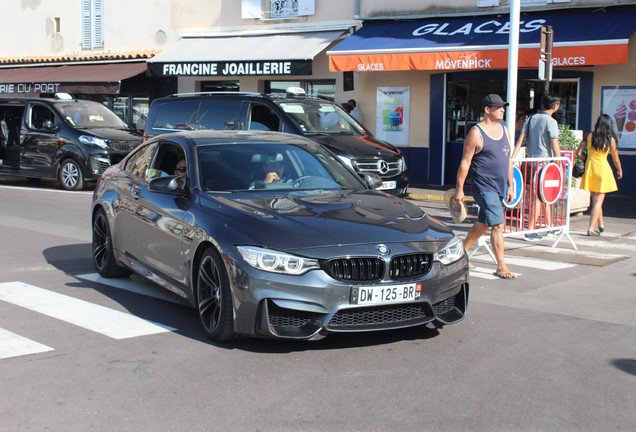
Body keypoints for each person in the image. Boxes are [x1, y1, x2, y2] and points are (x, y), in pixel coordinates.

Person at [453, 94, 516, 279]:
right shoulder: (476, 132)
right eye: (499, 107)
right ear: (488, 110)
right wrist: (459, 189)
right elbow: (465, 162)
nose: (503, 109)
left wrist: (510, 185)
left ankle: (459, 256)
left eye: (503, 107)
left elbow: (508, 160)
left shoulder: (505, 131)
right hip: (482, 185)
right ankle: (501, 265)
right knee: (497, 224)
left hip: (498, 187)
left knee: (483, 223)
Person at [512, 94, 562, 241]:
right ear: (555, 105)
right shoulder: (551, 122)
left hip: (531, 163)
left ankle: (550, 226)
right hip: (544, 165)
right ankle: (531, 230)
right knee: (539, 198)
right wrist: (559, 166)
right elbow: (555, 146)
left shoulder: (531, 118)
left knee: (544, 196)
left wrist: (513, 159)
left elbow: (520, 140)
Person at [575, 114, 623, 236]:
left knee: (595, 200)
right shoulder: (610, 139)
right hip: (603, 169)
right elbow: (615, 159)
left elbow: (578, 152)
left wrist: (586, 158)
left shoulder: (590, 136)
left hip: (591, 169)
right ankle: (591, 228)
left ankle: (601, 225)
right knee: (598, 201)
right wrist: (619, 170)